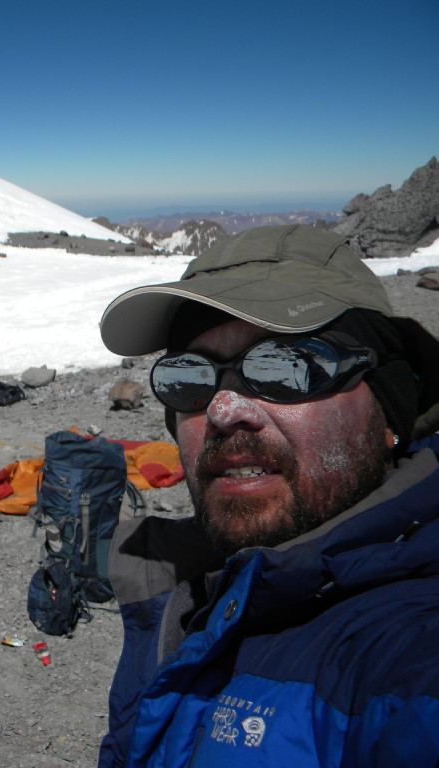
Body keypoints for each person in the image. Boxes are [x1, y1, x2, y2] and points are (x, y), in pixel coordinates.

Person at [96, 224, 439, 767]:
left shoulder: (408, 655)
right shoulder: (191, 589)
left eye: (289, 368)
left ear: (391, 407)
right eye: (190, 377)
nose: (224, 410)